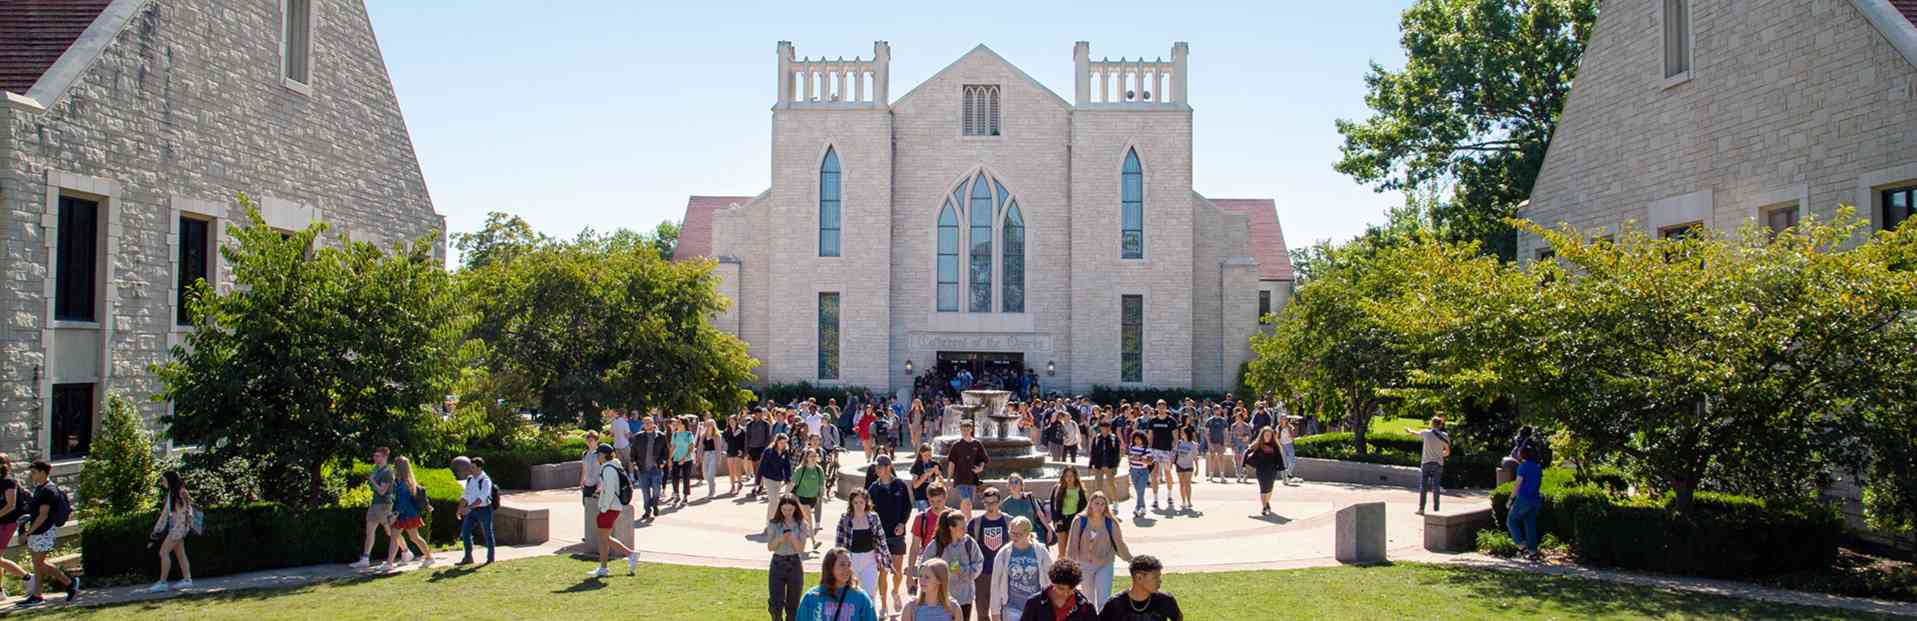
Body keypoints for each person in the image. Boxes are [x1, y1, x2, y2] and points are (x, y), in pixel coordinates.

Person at [19, 460, 77, 606]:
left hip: (44, 531)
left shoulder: (48, 490)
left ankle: (70, 582)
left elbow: (43, 515)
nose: (31, 475)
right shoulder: (40, 488)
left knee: (40, 564)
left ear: (43, 473)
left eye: (34, 472)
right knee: (37, 565)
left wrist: (28, 533)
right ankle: (37, 595)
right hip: (37, 530)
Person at [1066, 492, 1131, 612]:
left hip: (1105, 564)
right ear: (1090, 504)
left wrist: (1131, 560)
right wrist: (1069, 566)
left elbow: (1119, 544)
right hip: (1084, 566)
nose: (1099, 506)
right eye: (1096, 503)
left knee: (1104, 600)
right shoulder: (1079, 521)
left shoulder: (1110, 522)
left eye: (1103, 504)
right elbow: (1072, 545)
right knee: (1087, 600)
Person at [867, 454, 913, 611]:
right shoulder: (873, 488)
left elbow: (907, 506)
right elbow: (869, 511)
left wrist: (902, 523)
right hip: (880, 536)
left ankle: (895, 592)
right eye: (876, 467)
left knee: (898, 571)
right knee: (883, 572)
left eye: (879, 467)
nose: (876, 469)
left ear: (887, 467)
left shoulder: (900, 485)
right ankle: (884, 604)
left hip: (897, 535)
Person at [836, 488, 893, 616]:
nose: (858, 505)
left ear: (866, 502)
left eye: (861, 502)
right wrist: (838, 563)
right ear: (851, 503)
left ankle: (870, 616)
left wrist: (887, 561)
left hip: (870, 560)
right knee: (851, 592)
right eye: (855, 502)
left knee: (869, 593)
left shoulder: (873, 518)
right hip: (851, 561)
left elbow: (881, 539)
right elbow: (839, 544)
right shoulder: (845, 519)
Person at [588, 445, 640, 577]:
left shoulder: (608, 469)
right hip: (612, 507)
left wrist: (604, 508)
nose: (597, 457)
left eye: (598, 454)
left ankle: (629, 555)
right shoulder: (614, 466)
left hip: (610, 507)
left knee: (603, 538)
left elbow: (610, 491)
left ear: (603, 455)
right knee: (603, 538)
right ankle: (606, 566)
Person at [989, 516, 1053, 621]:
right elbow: (995, 584)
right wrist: (995, 612)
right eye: (1012, 533)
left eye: (1019, 534)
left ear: (1028, 533)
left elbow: (1051, 579)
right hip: (1011, 608)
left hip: (1035, 607)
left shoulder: (1040, 551)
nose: (1015, 537)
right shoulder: (1004, 553)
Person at [927, 510, 983, 621]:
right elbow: (924, 567)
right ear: (952, 528)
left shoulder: (969, 543)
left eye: (965, 526)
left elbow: (979, 563)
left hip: (965, 598)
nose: (965, 530)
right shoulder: (937, 545)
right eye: (962, 527)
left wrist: (963, 571)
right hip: (942, 599)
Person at [797, 547, 882, 621]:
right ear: (830, 567)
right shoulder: (811, 597)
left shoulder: (861, 598)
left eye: (849, 564)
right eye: (842, 565)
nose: (847, 569)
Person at [146, 470, 195, 592]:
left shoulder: (180, 492)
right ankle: (187, 580)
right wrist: (157, 530)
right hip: (176, 528)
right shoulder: (172, 493)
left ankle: (162, 582)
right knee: (180, 554)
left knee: (163, 552)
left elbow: (188, 512)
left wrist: (184, 529)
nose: (162, 482)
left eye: (163, 480)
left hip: (178, 529)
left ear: (169, 479)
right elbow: (165, 515)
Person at [968, 487, 1012, 620]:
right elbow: (968, 549)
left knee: (1004, 611)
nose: (990, 506)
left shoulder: (1009, 522)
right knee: (982, 612)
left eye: (993, 502)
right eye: (987, 503)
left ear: (999, 502)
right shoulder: (975, 523)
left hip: (1004, 573)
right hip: (982, 574)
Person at [351, 447, 398, 569]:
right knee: (369, 531)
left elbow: (382, 491)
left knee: (391, 532)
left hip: (384, 505)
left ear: (385, 457)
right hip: (375, 504)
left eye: (378, 456)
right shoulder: (377, 469)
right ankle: (365, 558)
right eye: (374, 456)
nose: (375, 458)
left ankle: (406, 551)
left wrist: (372, 481)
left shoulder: (388, 472)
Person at [767, 494, 812, 621]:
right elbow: (770, 547)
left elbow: (800, 549)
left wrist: (792, 537)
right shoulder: (774, 523)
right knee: (776, 603)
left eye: (790, 510)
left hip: (794, 563)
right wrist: (780, 539)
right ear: (780, 509)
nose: (787, 513)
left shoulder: (802, 524)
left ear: (795, 509)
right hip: (777, 562)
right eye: (784, 509)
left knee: (793, 604)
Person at [384, 456, 435, 569]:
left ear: (398, 467)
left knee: (404, 537)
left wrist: (395, 515)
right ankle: (429, 558)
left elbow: (403, 502)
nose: (393, 467)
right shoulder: (406, 481)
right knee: (413, 537)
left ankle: (389, 563)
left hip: (404, 515)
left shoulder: (402, 483)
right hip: (408, 515)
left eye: (395, 466)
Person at [1097, 556, 1181, 621]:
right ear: (1139, 578)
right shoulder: (1115, 604)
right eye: (1155, 577)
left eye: (1159, 577)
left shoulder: (1165, 600)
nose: (1159, 581)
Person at [1019, 558, 1096, 621]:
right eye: (1061, 589)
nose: (1066, 594)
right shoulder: (1034, 603)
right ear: (1053, 583)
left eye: (1071, 589)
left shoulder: (1086, 607)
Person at [907, 484, 950, 596]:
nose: (936, 505)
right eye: (932, 501)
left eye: (939, 501)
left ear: (946, 497)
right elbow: (914, 547)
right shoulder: (921, 518)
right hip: (928, 565)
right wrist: (910, 575)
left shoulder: (952, 517)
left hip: (950, 564)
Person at [1506, 444, 1546, 561]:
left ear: (1523, 454)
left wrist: (1510, 500)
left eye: (1519, 451)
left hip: (1523, 499)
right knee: (1530, 525)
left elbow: (1518, 484)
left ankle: (1522, 547)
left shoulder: (1523, 467)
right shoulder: (1537, 467)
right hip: (1535, 500)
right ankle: (1533, 552)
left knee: (1511, 521)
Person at [454, 456, 496, 565]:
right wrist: (459, 509)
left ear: (479, 468)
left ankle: (490, 559)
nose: (470, 469)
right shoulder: (470, 479)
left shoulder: (485, 480)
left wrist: (468, 507)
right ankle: (468, 557)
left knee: (487, 533)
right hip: (472, 510)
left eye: (472, 467)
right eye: (470, 467)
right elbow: (466, 495)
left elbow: (481, 499)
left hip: (484, 509)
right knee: (465, 532)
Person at [1406, 416, 1452, 514]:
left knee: (1423, 487)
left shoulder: (1426, 433)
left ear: (1431, 424)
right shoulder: (1445, 436)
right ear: (1440, 425)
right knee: (1436, 487)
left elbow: (1414, 433)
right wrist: (1440, 454)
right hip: (1438, 464)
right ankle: (1436, 509)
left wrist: (1409, 430)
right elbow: (1447, 452)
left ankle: (1421, 509)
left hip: (1426, 462)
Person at [945, 420, 989, 520]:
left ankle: (961, 519)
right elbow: (951, 463)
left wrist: (980, 468)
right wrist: (948, 479)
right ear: (960, 430)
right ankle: (968, 524)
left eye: (967, 429)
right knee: (967, 501)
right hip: (960, 478)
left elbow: (983, 459)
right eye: (963, 429)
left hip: (972, 479)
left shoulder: (977, 444)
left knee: (968, 504)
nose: (965, 432)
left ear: (971, 429)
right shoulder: (956, 445)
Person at [0, 456, 31, 598]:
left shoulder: (9, 482)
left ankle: (29, 578)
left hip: (7, 523)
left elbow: (10, 505)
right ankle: (0, 591)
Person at [998, 474, 1051, 549]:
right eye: (1011, 482)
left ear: (1021, 485)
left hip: (1033, 534)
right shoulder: (1005, 504)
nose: (1013, 484)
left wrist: (1049, 529)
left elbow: (1040, 514)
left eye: (1016, 482)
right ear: (1008, 486)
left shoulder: (1029, 498)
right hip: (1016, 537)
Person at [632, 416, 669, 519]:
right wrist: (634, 464)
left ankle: (655, 505)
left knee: (657, 490)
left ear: (653, 424)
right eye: (645, 423)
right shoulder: (638, 437)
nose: (647, 424)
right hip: (642, 468)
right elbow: (633, 452)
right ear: (643, 424)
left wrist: (663, 462)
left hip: (656, 468)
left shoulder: (660, 436)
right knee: (645, 492)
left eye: (649, 422)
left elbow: (665, 451)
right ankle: (647, 511)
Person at [1244, 427, 1285, 516]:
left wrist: (1282, 469)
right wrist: (1244, 465)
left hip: (1272, 470)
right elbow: (1247, 453)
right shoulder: (1257, 444)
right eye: (1266, 435)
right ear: (1262, 435)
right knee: (1263, 489)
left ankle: (1267, 503)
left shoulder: (1275, 446)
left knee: (1269, 489)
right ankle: (1264, 507)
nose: (1267, 436)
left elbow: (1279, 458)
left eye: (1269, 435)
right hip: (1261, 470)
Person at [791, 449, 827, 549]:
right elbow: (792, 484)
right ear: (806, 457)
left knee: (801, 520)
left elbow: (821, 486)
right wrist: (786, 495)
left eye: (815, 456)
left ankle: (794, 540)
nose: (813, 458)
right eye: (811, 456)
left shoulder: (819, 470)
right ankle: (813, 542)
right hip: (801, 498)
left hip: (813, 499)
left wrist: (821, 496)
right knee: (809, 519)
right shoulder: (800, 470)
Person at [1049, 467, 1087, 558]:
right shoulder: (1058, 488)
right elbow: (1054, 506)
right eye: (1067, 476)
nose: (1069, 478)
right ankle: (1060, 568)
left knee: (1071, 548)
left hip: (1073, 519)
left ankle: (1071, 568)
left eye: (1071, 476)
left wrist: (1081, 521)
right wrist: (1056, 520)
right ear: (1063, 477)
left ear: (1075, 477)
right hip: (1061, 520)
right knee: (1062, 549)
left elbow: (1084, 507)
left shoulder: (1079, 489)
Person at [1146, 403, 1177, 510]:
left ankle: (1169, 496)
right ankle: (1155, 499)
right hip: (1155, 450)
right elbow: (1150, 436)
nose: (1161, 408)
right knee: (1154, 474)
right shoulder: (1153, 421)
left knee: (1167, 472)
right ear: (1156, 408)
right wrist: (1149, 451)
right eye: (1159, 406)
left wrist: (1174, 452)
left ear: (1166, 408)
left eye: (1163, 406)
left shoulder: (1172, 421)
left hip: (1167, 451)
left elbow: (1175, 438)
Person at [760, 433, 795, 521]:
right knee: (773, 501)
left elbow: (787, 466)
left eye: (785, 443)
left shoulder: (785, 451)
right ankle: (770, 522)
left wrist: (788, 479)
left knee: (775, 501)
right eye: (781, 443)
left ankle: (772, 519)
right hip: (768, 478)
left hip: (778, 479)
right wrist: (758, 481)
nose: (783, 445)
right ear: (776, 442)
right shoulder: (769, 451)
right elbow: (762, 466)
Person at [1088, 420, 1121, 506]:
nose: (1104, 430)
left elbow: (1117, 454)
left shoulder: (1114, 438)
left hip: (1109, 466)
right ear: (1100, 429)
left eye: (1106, 428)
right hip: (1099, 466)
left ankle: (1115, 502)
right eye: (1102, 428)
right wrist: (1090, 465)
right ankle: (1099, 504)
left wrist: (1115, 466)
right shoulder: (1097, 438)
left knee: (1111, 485)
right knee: (1098, 486)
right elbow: (1093, 453)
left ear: (1109, 429)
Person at [668, 417, 696, 506]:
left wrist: (684, 458)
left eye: (679, 422)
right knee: (674, 478)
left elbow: (691, 448)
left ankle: (685, 496)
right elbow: (672, 447)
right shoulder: (675, 434)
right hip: (676, 459)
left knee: (686, 478)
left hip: (687, 460)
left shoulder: (688, 434)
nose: (677, 424)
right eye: (676, 422)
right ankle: (676, 495)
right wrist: (669, 459)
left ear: (684, 424)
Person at [1125, 431, 1153, 518]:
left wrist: (1140, 459)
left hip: (1143, 471)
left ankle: (1137, 508)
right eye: (1135, 439)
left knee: (1140, 490)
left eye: (1139, 439)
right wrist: (1131, 459)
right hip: (1133, 471)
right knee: (1139, 491)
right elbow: (1129, 457)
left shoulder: (1147, 449)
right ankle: (1143, 507)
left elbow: (1150, 462)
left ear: (1143, 439)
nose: (1137, 441)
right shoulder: (1131, 447)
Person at [747, 408, 773, 497]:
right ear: (754, 414)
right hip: (752, 448)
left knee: (759, 467)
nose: (758, 415)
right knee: (754, 468)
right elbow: (747, 438)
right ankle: (759, 483)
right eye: (756, 413)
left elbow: (768, 438)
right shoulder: (750, 424)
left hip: (762, 448)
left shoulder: (766, 424)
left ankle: (758, 485)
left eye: (760, 413)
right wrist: (747, 450)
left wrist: (766, 449)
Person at [910, 444, 943, 512]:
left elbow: (942, 482)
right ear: (921, 454)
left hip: (933, 496)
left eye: (930, 455)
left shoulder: (935, 464)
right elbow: (915, 485)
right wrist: (925, 475)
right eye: (925, 455)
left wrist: (938, 474)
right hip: (921, 496)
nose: (928, 457)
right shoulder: (917, 466)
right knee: (924, 518)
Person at [1172, 429, 1199, 513]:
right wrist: (1171, 463)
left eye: (1183, 433)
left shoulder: (1193, 444)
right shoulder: (1179, 443)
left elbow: (1195, 457)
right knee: (1181, 484)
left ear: (1187, 434)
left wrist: (1197, 468)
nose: (1181, 434)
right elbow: (1174, 453)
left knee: (1187, 484)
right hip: (1179, 465)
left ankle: (1189, 501)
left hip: (1189, 466)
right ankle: (1183, 501)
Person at [700, 417, 725, 501]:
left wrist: (719, 460)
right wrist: (698, 456)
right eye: (707, 424)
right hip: (706, 455)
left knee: (710, 474)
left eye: (710, 424)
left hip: (714, 454)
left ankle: (711, 492)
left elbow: (718, 449)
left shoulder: (717, 435)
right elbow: (701, 447)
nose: (709, 426)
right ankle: (712, 484)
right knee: (705, 475)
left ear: (713, 425)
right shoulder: (703, 435)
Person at [1202, 407, 1229, 483]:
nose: (1217, 411)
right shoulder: (1209, 421)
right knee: (1212, 459)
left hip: (1221, 443)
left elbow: (1226, 432)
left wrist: (1226, 443)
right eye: (1216, 409)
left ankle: (1222, 476)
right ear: (1213, 411)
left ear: (1220, 410)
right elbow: (1206, 433)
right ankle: (1211, 476)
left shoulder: (1223, 421)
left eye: (1219, 409)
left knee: (1221, 459)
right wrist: (1209, 444)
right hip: (1212, 442)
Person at [725, 413, 748, 495]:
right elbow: (727, 440)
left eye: (733, 421)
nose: (731, 422)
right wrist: (732, 431)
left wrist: (742, 451)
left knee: (737, 468)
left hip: (739, 452)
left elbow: (744, 441)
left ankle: (739, 482)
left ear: (736, 421)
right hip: (730, 451)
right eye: (730, 421)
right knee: (731, 470)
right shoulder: (727, 430)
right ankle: (732, 486)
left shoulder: (741, 430)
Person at [1229, 409, 1252, 484]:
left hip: (1243, 444)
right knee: (1236, 459)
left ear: (1242, 418)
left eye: (1239, 417)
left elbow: (1249, 435)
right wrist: (1231, 444)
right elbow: (1231, 435)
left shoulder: (1246, 425)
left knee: (1242, 459)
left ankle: (1243, 473)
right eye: (1236, 417)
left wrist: (1245, 438)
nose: (1237, 419)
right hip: (1235, 444)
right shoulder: (1233, 426)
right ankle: (1238, 475)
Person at [1278, 414, 1302, 485]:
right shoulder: (1278, 427)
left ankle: (1289, 473)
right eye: (1282, 418)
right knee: (1284, 463)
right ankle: (1284, 479)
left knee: (1293, 460)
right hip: (1282, 445)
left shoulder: (1290, 427)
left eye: (1285, 419)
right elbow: (1276, 437)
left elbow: (1293, 438)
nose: (1283, 420)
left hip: (1289, 444)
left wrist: (1290, 431)